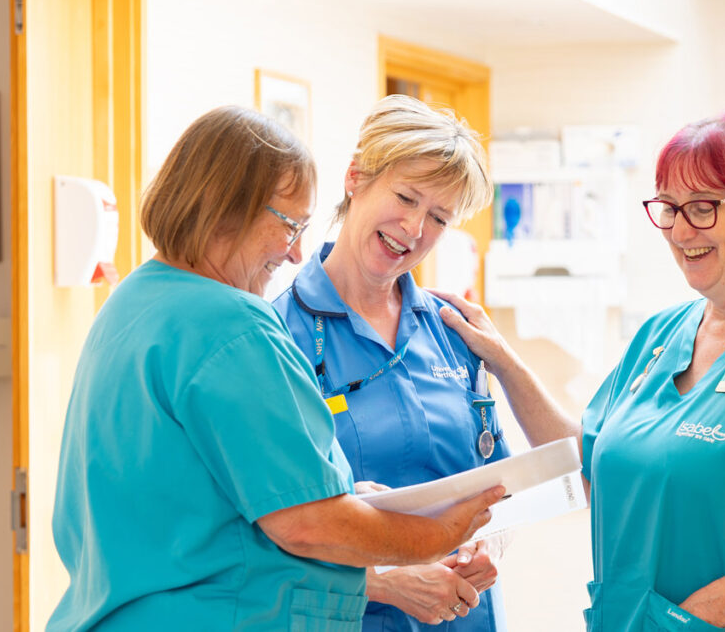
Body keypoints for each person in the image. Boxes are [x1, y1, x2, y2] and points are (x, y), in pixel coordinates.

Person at [434, 112, 725, 631]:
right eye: (669, 208)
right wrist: (503, 359)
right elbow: (588, 465)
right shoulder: (660, 336)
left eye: (702, 208)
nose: (679, 230)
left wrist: (703, 614)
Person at [47, 106, 503, 631]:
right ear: (225, 206)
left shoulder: (133, 302)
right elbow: (307, 524)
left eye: (440, 217)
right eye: (290, 226)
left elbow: (199, 498)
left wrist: (350, 498)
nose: (295, 252)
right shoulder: (235, 326)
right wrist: (439, 534)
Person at [273, 94, 511, 631]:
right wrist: (381, 577)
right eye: (405, 197)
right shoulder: (277, 334)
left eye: (439, 217)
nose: (414, 227)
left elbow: (495, 482)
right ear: (355, 177)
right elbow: (260, 530)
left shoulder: (454, 331)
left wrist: (489, 546)